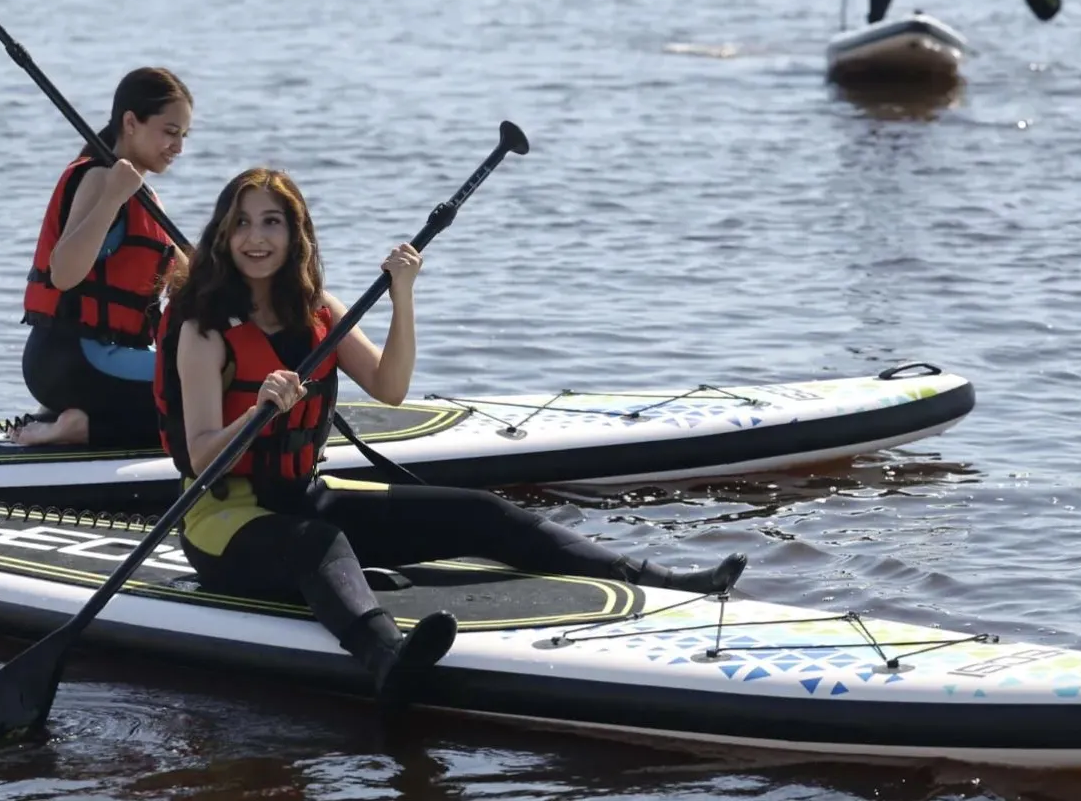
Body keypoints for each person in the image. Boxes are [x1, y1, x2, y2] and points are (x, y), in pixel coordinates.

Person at [153, 167, 749, 710]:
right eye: (242, 225)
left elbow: (389, 386)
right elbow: (204, 453)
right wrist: (255, 410)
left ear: (296, 234)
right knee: (318, 543)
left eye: (272, 223)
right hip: (223, 524)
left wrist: (403, 296)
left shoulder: (318, 310)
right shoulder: (205, 329)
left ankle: (661, 579)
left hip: (302, 497)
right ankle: (388, 659)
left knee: (479, 513)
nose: (256, 238)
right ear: (224, 236)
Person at [14, 66, 193, 449]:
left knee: (209, 378)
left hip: (99, 355)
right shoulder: (101, 180)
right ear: (131, 122)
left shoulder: (142, 195)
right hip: (73, 357)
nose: (179, 147)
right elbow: (63, 273)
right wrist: (112, 197)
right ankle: (82, 427)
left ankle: (83, 417)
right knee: (201, 398)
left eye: (183, 136)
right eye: (170, 132)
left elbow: (190, 276)